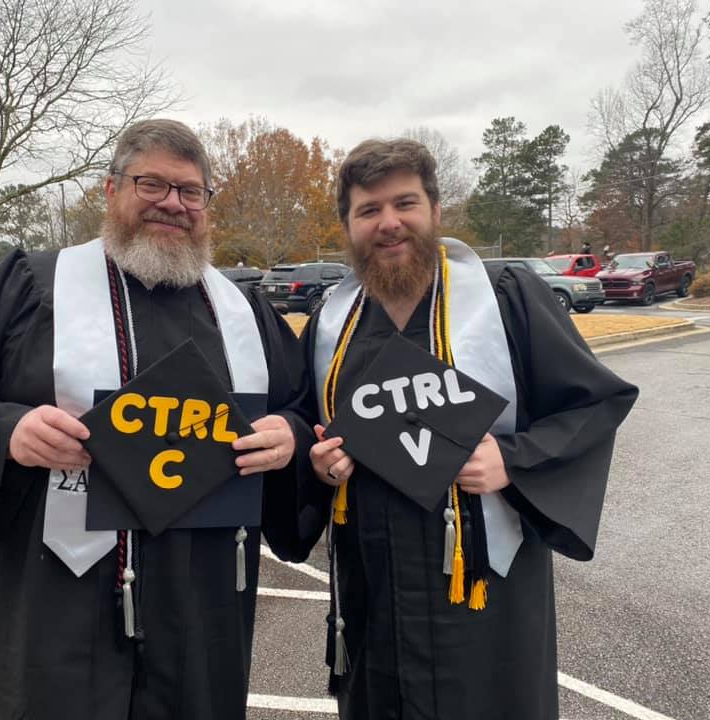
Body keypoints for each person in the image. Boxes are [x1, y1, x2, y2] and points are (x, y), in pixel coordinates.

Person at [0, 118, 315, 720]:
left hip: (200, 597)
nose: (172, 204)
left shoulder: (244, 311)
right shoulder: (28, 286)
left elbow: (301, 408)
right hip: (57, 594)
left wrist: (292, 438)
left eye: (190, 192)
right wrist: (9, 432)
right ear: (111, 189)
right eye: (152, 184)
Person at [283, 138, 638, 719]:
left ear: (435, 211)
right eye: (368, 211)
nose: (389, 223)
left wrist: (512, 459)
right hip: (372, 582)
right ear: (348, 226)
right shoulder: (332, 321)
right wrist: (316, 461)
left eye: (405, 204)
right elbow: (304, 420)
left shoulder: (504, 300)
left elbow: (594, 404)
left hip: (480, 585)